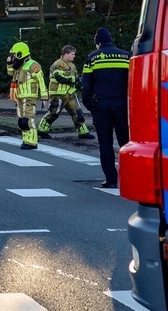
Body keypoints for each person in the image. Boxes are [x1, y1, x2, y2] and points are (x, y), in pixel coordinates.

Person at [80, 27, 130, 189]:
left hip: (101, 106)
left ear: (98, 43)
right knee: (126, 143)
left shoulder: (92, 58)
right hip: (123, 105)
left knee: (105, 143)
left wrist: (89, 105)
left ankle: (111, 179)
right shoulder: (126, 56)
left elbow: (86, 85)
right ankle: (128, 177)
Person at [38, 45, 95, 141]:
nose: (74, 56)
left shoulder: (72, 65)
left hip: (70, 94)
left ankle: (83, 132)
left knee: (78, 113)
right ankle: (42, 131)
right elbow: (60, 78)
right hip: (58, 94)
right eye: (72, 54)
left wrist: (80, 80)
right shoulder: (57, 64)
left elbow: (76, 78)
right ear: (66, 54)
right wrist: (75, 79)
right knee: (53, 114)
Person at [6, 41, 48, 150]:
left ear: (20, 54)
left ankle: (32, 142)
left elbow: (41, 81)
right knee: (21, 121)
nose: (13, 57)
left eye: (14, 55)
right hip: (20, 97)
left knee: (28, 120)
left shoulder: (33, 65)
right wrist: (9, 64)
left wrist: (44, 97)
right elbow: (11, 74)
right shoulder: (19, 66)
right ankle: (26, 140)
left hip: (29, 97)